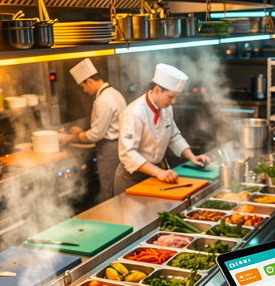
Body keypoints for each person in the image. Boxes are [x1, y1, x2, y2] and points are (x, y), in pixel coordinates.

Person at [114, 63, 211, 193]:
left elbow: (174, 136)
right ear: (157, 90)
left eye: (176, 97)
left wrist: (191, 156)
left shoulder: (166, 109)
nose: (173, 102)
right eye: (171, 97)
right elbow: (128, 154)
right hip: (132, 178)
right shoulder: (134, 113)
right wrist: (159, 172)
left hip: (154, 175)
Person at [60, 58, 126, 202]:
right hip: (119, 145)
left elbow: (96, 134)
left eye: (84, 86)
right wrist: (81, 133)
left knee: (108, 192)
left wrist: (75, 136)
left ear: (89, 81)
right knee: (116, 189)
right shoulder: (114, 93)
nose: (85, 91)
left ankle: (112, 221)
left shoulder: (102, 101)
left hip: (109, 150)